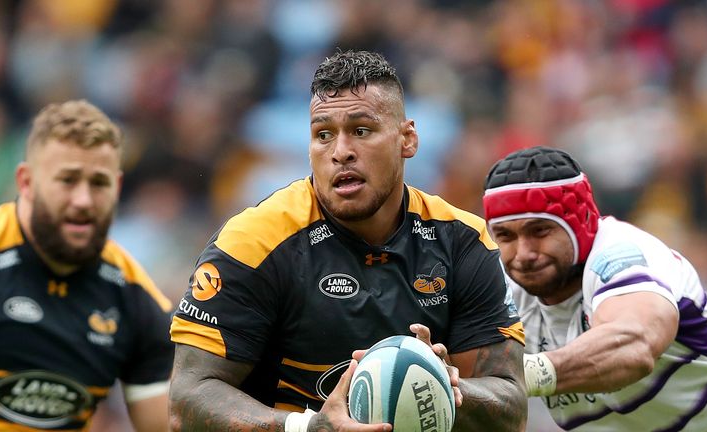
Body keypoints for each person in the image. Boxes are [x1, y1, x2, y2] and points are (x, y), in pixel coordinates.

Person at [169, 49, 527, 431]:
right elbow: (187, 401)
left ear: (407, 139)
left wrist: (446, 384)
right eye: (323, 135)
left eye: (361, 130)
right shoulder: (253, 243)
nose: (340, 152)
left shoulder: (463, 242)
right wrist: (308, 428)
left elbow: (511, 408)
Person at [482, 146, 707, 431]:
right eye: (506, 236)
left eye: (540, 231)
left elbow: (633, 344)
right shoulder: (504, 290)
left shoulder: (624, 255)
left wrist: (523, 375)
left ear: (581, 220)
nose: (523, 253)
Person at [0, 100, 174, 431]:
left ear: (118, 187)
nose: (83, 200)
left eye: (99, 183)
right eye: (68, 180)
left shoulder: (135, 296)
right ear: (26, 182)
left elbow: (162, 425)